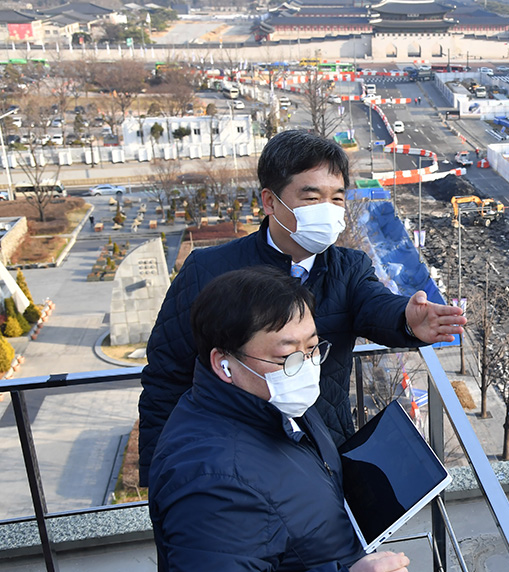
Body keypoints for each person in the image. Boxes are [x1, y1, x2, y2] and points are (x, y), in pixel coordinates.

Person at [138, 129, 465, 485]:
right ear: (270, 201)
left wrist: (407, 319)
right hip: (233, 456)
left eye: (337, 198)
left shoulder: (348, 267)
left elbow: (374, 304)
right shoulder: (208, 271)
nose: (327, 210)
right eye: (311, 197)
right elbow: (166, 375)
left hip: (323, 452)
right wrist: (162, 473)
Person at [149, 266, 410, 572]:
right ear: (224, 364)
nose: (308, 367)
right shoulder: (213, 483)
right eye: (287, 358)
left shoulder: (275, 403)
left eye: (312, 348)